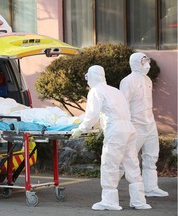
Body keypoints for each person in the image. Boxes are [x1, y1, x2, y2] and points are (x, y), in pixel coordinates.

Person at [71, 65, 151, 210]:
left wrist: (80, 129)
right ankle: (139, 201)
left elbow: (92, 115)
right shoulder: (115, 90)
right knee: (132, 164)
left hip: (116, 131)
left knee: (110, 164)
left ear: (92, 76)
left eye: (87, 77)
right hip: (129, 129)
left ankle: (110, 201)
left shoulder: (96, 91)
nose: (87, 80)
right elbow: (119, 111)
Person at [119, 52, 169, 197]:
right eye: (143, 61)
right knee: (127, 156)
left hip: (150, 123)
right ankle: (110, 186)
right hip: (136, 124)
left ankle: (150, 187)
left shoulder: (147, 80)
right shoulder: (127, 81)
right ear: (135, 63)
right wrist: (126, 124)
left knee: (151, 156)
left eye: (146, 61)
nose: (147, 64)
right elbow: (124, 104)